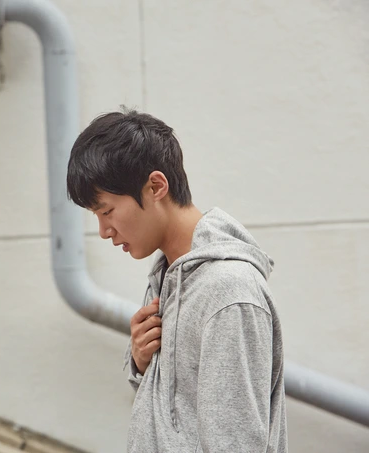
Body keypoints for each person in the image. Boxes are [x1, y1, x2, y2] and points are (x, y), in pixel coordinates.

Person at [66, 108, 287, 452]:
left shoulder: (229, 291)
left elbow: (235, 443)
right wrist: (141, 363)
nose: (104, 230)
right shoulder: (168, 278)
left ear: (156, 186)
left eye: (106, 211)